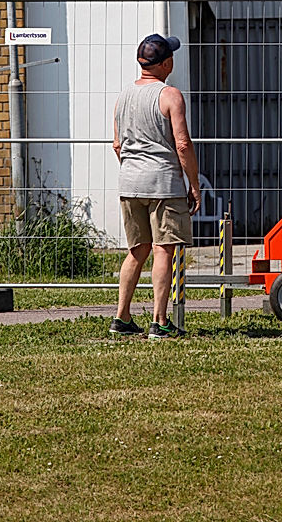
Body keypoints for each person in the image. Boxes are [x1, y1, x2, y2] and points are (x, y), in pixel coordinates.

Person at [110, 33, 201, 338]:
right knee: (164, 250)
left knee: (137, 250)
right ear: (166, 63)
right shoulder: (170, 95)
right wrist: (194, 183)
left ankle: (121, 318)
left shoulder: (123, 96)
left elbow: (117, 145)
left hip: (129, 182)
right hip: (163, 183)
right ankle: (159, 322)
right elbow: (183, 143)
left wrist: (133, 168)